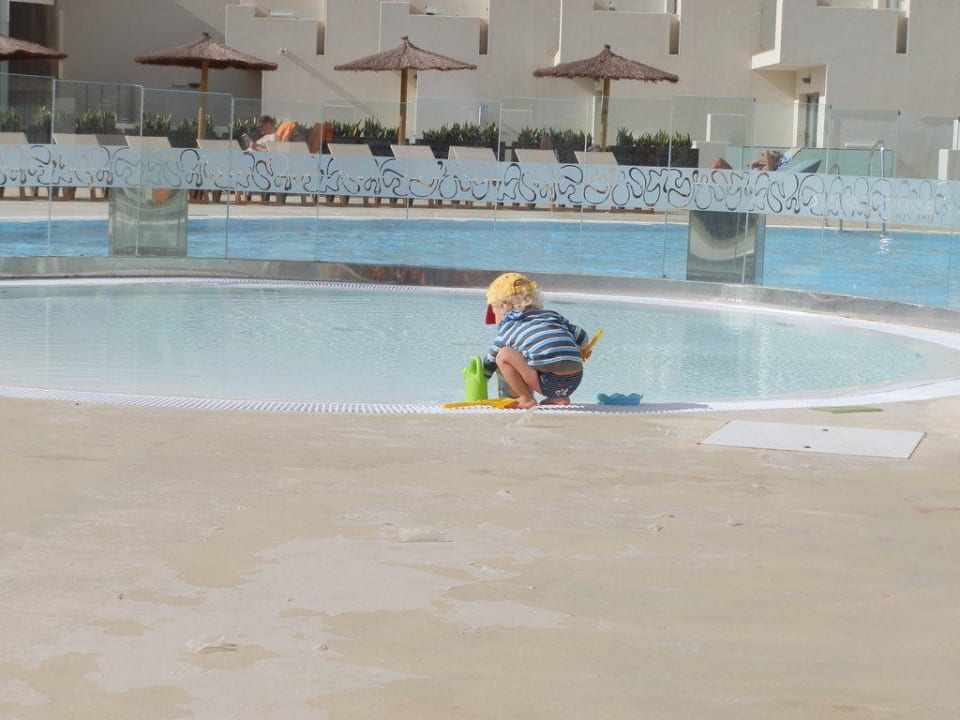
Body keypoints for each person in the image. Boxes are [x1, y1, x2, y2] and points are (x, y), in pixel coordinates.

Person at [481, 272, 591, 409]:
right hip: (574, 379)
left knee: (503, 355)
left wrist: (482, 375)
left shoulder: (508, 328)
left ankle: (525, 398)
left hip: (547, 383)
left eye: (493, 309)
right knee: (536, 352)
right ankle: (559, 398)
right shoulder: (552, 316)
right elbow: (582, 337)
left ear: (502, 305)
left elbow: (491, 359)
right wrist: (581, 349)